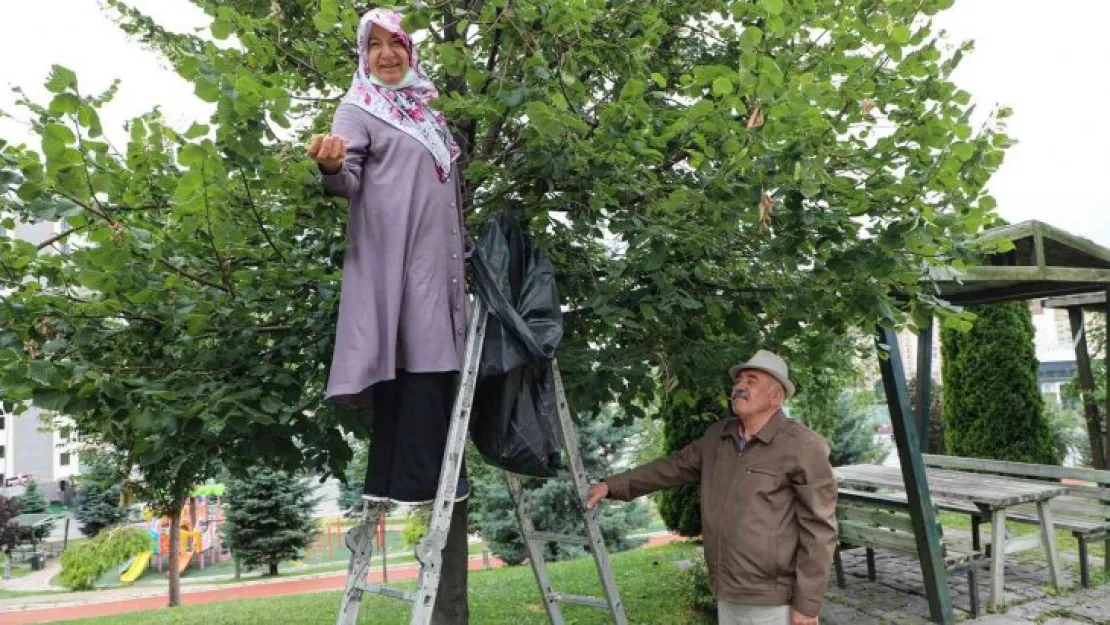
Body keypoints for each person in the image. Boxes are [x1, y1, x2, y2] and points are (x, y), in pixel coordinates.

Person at [307, 8, 469, 507]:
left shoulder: (424, 112)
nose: (386, 54)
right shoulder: (359, 108)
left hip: (437, 260)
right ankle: (422, 482)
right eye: (374, 45)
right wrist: (332, 165)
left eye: (394, 42)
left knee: (424, 362)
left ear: (409, 48)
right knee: (421, 358)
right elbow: (347, 178)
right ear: (364, 54)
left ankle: (391, 481)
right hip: (396, 260)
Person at [587, 350, 838, 625]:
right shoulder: (718, 436)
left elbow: (819, 530)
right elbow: (672, 467)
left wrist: (807, 604)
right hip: (726, 587)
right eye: (739, 380)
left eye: (751, 381)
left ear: (775, 397)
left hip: (774, 597)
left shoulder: (803, 446)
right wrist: (612, 485)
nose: (739, 386)